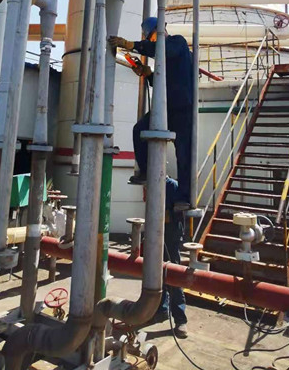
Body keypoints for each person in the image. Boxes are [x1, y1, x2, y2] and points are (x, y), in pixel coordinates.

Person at [109, 17, 192, 203]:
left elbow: (162, 49)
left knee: (183, 153)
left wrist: (131, 45)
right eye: (150, 38)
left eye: (152, 37)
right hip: (166, 107)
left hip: (182, 108)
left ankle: (184, 197)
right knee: (139, 130)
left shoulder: (177, 43)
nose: (153, 40)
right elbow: (163, 82)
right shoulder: (164, 57)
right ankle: (146, 172)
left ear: (161, 30)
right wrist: (148, 74)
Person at [152, 177, 188, 338]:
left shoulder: (172, 186)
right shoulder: (152, 183)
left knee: (173, 274)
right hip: (156, 232)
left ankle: (180, 319)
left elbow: (179, 211)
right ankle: (160, 310)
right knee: (155, 273)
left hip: (171, 233)